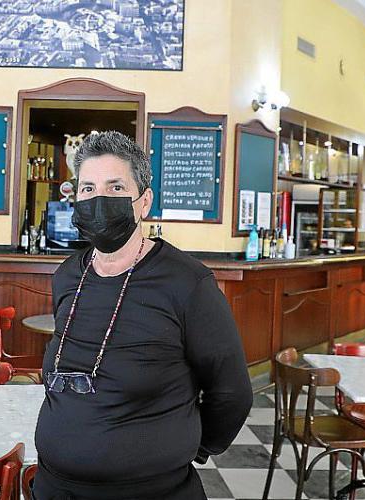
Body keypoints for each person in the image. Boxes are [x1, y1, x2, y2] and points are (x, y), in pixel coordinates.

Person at [33, 131, 253, 500]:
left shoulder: (188, 283)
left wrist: (186, 445)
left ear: (144, 201)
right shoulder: (67, 276)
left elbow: (231, 392)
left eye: (116, 187)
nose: (99, 199)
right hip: (55, 487)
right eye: (88, 188)